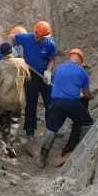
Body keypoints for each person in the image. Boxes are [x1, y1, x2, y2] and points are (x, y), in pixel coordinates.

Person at [40, 48, 94, 168]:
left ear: (69, 57)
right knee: (86, 122)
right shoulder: (82, 72)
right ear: (80, 61)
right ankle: (75, 148)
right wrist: (91, 97)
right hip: (72, 103)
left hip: (56, 102)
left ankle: (42, 156)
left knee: (51, 129)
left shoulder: (59, 68)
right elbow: (86, 93)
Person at [11, 20, 59, 152]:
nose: (38, 38)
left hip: (44, 77)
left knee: (49, 103)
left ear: (46, 37)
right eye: (37, 35)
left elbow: (52, 59)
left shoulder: (50, 44)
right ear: (35, 32)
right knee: (31, 103)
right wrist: (14, 52)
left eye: (41, 37)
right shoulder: (26, 38)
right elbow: (12, 38)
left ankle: (51, 129)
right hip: (31, 76)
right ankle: (30, 131)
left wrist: (48, 72)